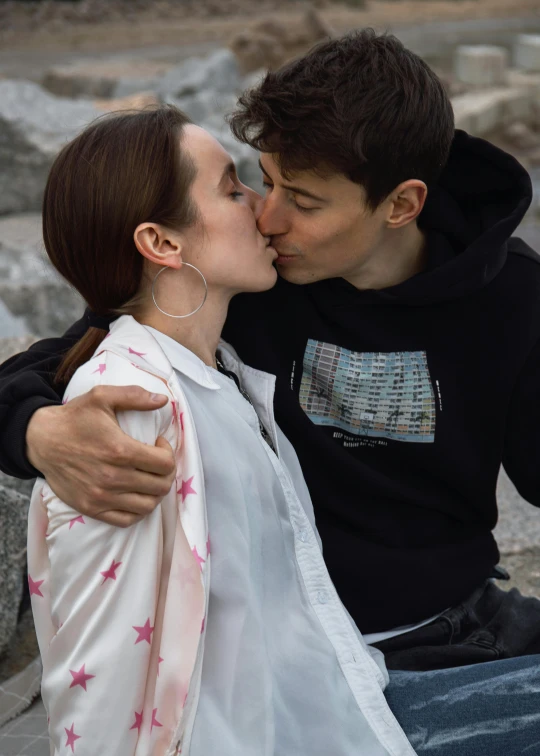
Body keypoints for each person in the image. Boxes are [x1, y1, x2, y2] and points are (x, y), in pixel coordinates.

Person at [1, 30, 540, 673]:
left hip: (451, 627)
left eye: (304, 201)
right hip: (288, 654)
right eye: (265, 181)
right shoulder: (250, 279)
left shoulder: (512, 295)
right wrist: (39, 428)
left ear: (401, 204)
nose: (268, 217)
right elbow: (69, 354)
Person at [24, 106, 419, 756]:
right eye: (232, 189)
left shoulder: (217, 371)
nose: (262, 211)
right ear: (163, 244)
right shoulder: (134, 403)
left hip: (329, 716)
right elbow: (110, 679)